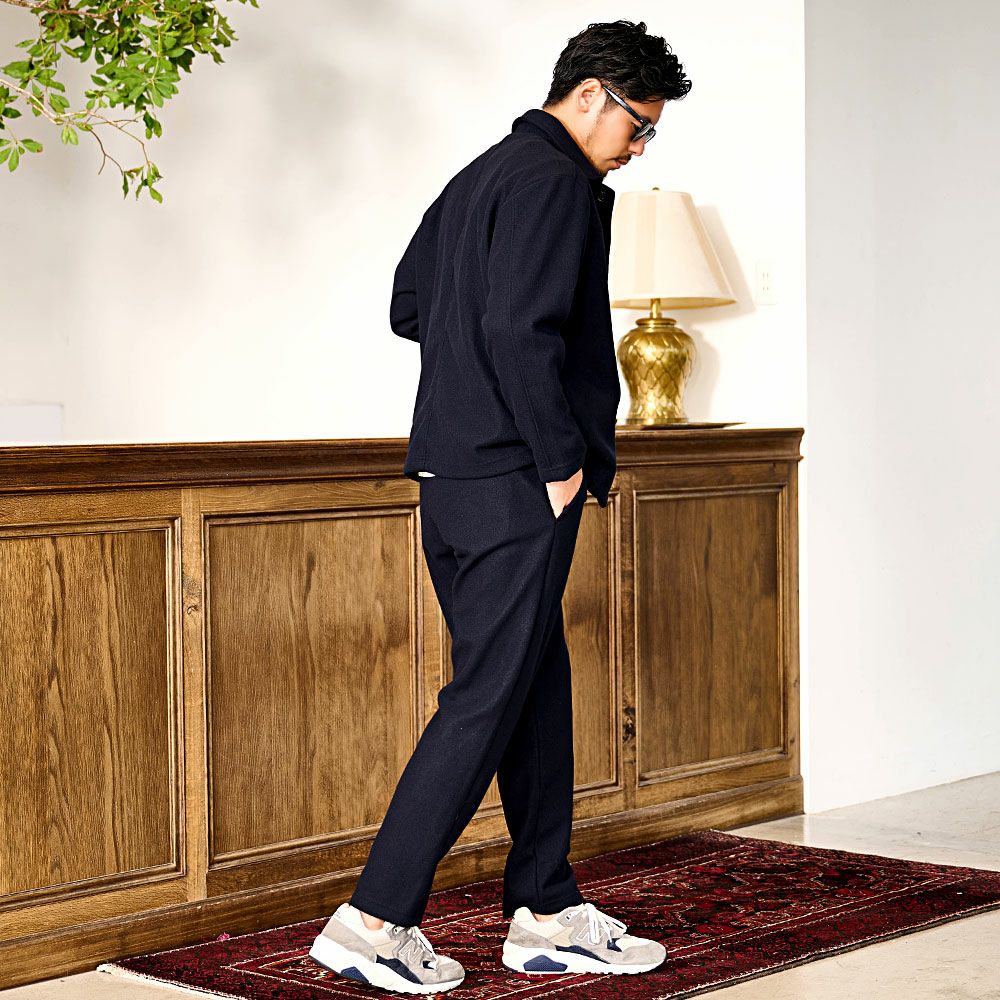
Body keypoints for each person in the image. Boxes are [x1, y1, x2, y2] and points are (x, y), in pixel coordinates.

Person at [308, 19, 692, 994]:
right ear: (592, 94)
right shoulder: (555, 182)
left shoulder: (480, 174)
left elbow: (410, 304)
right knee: (485, 697)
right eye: (639, 126)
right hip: (518, 482)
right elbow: (521, 331)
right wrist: (558, 459)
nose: (640, 147)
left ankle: (547, 910)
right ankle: (374, 920)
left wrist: (478, 387)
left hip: (452, 477)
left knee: (530, 685)